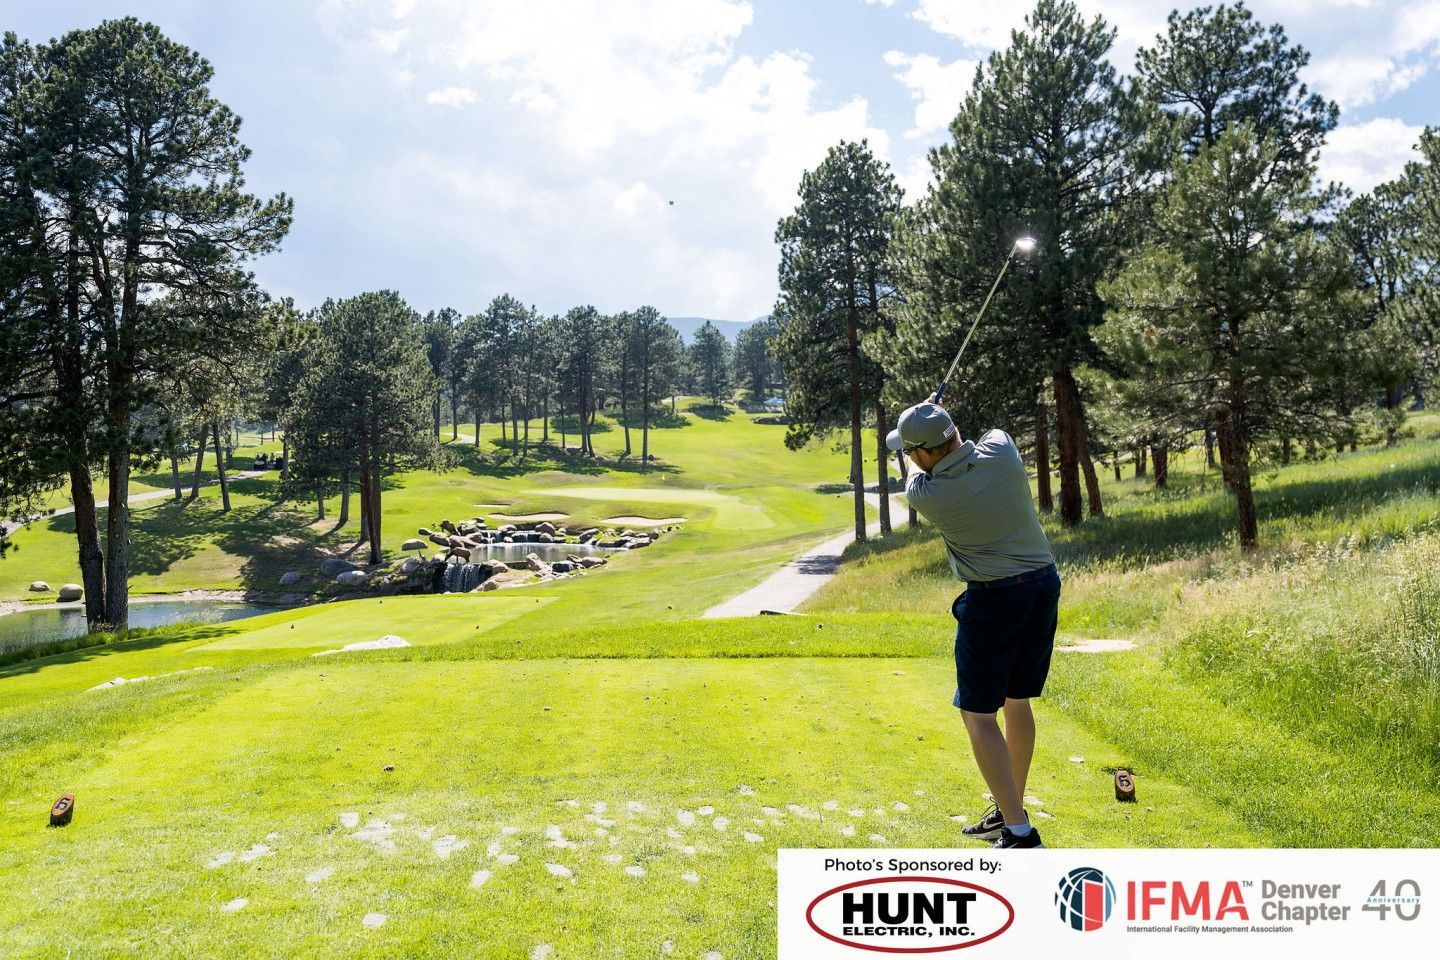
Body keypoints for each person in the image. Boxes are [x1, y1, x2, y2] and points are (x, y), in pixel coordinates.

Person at [887, 397, 1060, 850]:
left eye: (909, 451)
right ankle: (1009, 810)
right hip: (1042, 586)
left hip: (993, 601)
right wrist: (937, 416)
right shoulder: (1001, 452)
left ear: (922, 454)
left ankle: (1021, 832)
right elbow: (988, 434)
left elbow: (915, 474)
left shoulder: (927, 494)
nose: (909, 459)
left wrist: (923, 426)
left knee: (979, 715)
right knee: (1017, 701)